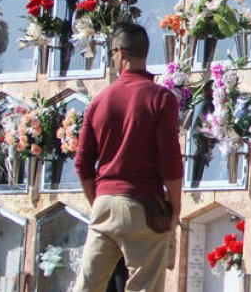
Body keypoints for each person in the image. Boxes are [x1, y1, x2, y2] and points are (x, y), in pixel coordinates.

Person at [73, 23, 183, 292]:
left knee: (87, 287)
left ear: (120, 53)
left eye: (111, 53)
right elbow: (170, 161)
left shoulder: (99, 101)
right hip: (144, 206)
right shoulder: (161, 99)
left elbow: (82, 163)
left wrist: (98, 200)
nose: (112, 59)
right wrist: (175, 209)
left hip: (104, 205)